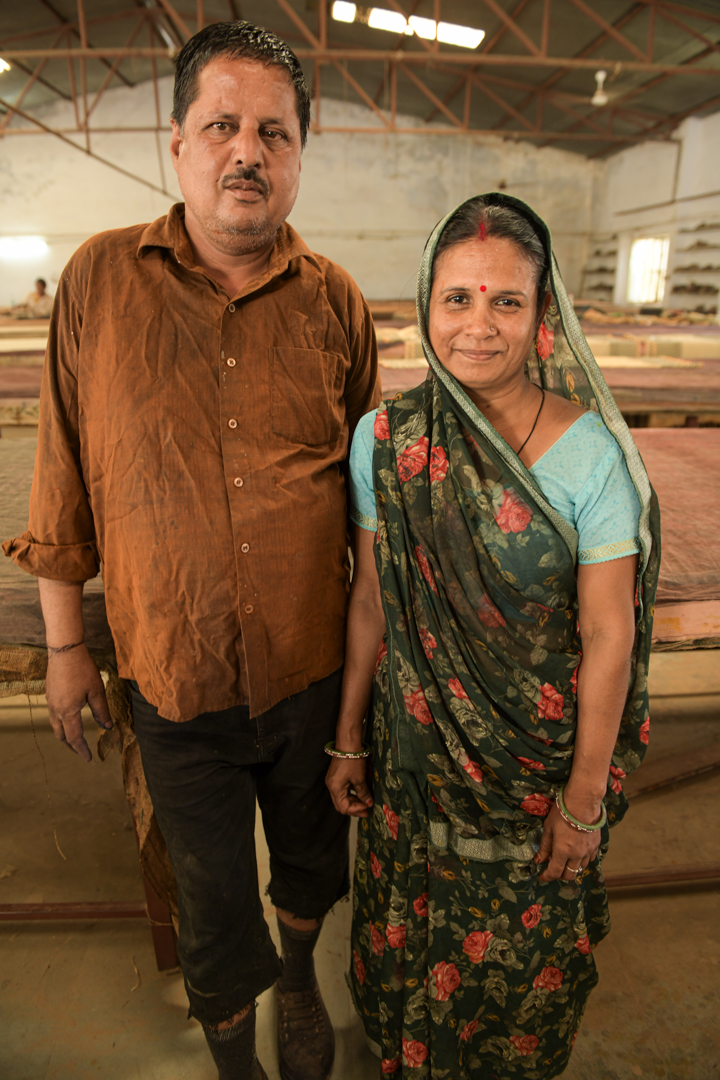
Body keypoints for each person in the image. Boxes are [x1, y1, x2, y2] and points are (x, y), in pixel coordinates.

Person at [3, 21, 380, 1080]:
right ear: (177, 144)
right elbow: (63, 477)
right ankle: (234, 1058)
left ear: (301, 153)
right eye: (222, 125)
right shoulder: (97, 282)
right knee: (212, 901)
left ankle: (302, 974)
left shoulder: (336, 301)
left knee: (310, 861)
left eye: (274, 131)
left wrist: (366, 674)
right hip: (173, 676)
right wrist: (71, 649)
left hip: (309, 671)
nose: (246, 152)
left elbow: (367, 501)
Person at [326, 193, 660, 1078]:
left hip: (534, 777)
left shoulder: (592, 459)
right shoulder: (386, 441)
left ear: (542, 317)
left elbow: (607, 632)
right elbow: (371, 600)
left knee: (519, 985)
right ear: (426, 308)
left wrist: (583, 798)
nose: (479, 325)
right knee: (407, 949)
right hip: (412, 768)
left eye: (506, 302)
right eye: (458, 298)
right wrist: (348, 739)